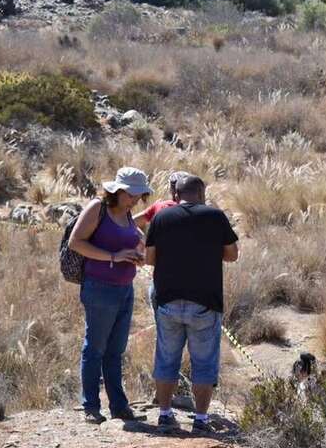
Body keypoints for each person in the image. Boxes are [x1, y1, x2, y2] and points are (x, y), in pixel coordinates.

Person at [145, 175, 239, 432]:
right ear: (201, 193)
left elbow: (149, 258)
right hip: (204, 303)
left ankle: (164, 414)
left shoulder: (161, 218)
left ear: (177, 194)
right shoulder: (215, 217)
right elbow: (232, 254)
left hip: (168, 301)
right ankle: (200, 420)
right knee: (204, 363)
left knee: (166, 359)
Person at [69, 167, 152, 424]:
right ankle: (91, 407)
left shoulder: (128, 214)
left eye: (139, 195)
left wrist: (136, 255)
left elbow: (137, 239)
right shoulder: (98, 208)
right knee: (94, 348)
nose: (136, 200)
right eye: (131, 195)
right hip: (100, 288)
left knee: (115, 351)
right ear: (117, 190)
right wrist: (114, 257)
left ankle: (119, 407)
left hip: (125, 288)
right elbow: (76, 242)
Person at [133, 170, 190, 312]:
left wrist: (144, 240)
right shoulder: (201, 212)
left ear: (171, 190)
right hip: (194, 288)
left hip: (162, 283)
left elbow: (131, 222)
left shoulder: (159, 207)